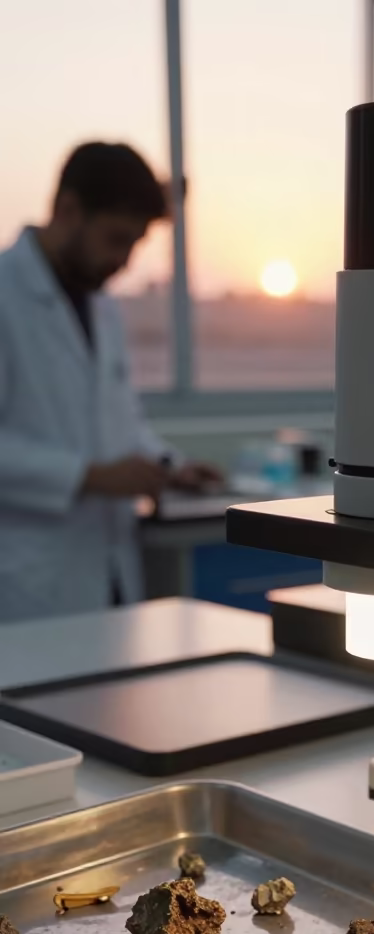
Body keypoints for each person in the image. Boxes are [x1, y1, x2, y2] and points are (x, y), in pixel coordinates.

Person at [0, 141, 221, 621]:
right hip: (25, 584)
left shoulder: (101, 305)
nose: (125, 261)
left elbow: (120, 423)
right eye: (117, 239)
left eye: (135, 245)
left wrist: (169, 465)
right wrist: (87, 477)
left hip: (107, 573)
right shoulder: (5, 295)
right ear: (68, 210)